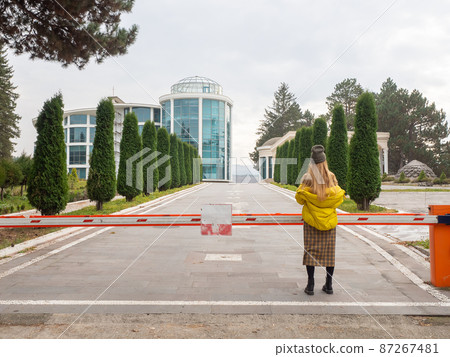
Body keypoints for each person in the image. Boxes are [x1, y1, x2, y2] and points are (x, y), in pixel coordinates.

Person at [295, 145, 345, 295]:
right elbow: (337, 199)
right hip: (329, 222)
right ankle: (328, 285)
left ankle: (310, 285)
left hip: (311, 222)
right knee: (329, 253)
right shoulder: (332, 177)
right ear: (325, 161)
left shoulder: (307, 179)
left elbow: (299, 199)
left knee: (310, 252)